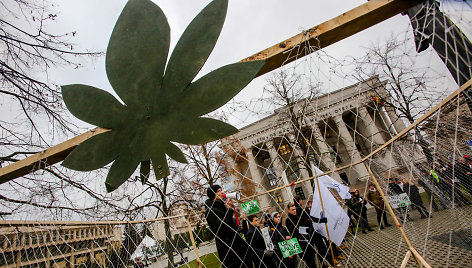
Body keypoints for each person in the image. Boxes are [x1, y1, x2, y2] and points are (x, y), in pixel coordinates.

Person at [204, 185, 251, 268]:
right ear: (213, 194)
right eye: (218, 191)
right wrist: (228, 211)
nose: (222, 192)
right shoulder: (210, 211)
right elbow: (221, 228)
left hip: (237, 245)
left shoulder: (223, 206)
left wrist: (230, 209)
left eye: (221, 190)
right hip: (228, 248)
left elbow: (232, 225)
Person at [285, 202, 329, 268]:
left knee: (311, 261)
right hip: (301, 244)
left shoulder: (299, 216)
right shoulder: (288, 221)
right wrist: (304, 230)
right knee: (309, 262)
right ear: (288, 210)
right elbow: (293, 233)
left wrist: (321, 220)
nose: (294, 211)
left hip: (307, 241)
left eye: (295, 209)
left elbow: (309, 218)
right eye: (292, 210)